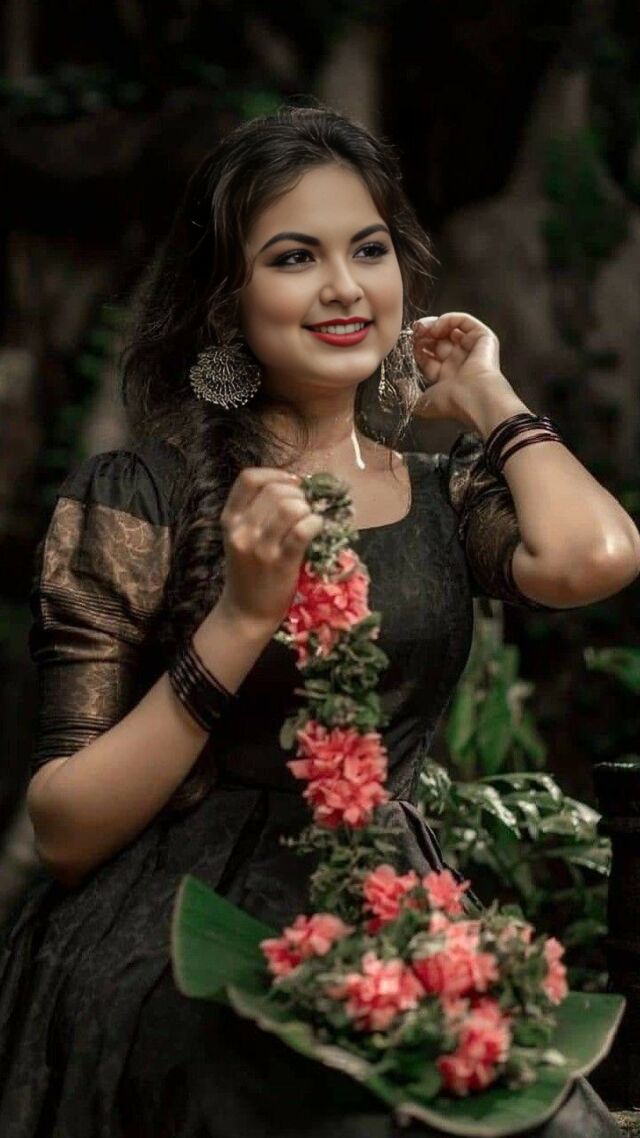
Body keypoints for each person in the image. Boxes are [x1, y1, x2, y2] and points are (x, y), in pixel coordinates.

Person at [0, 104, 635, 1138]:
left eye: (369, 250)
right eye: (295, 257)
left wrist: (487, 394)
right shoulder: (141, 496)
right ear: (226, 298)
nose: (345, 286)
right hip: (182, 929)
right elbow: (64, 831)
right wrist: (242, 618)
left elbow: (592, 558)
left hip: (389, 907)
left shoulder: (438, 492)